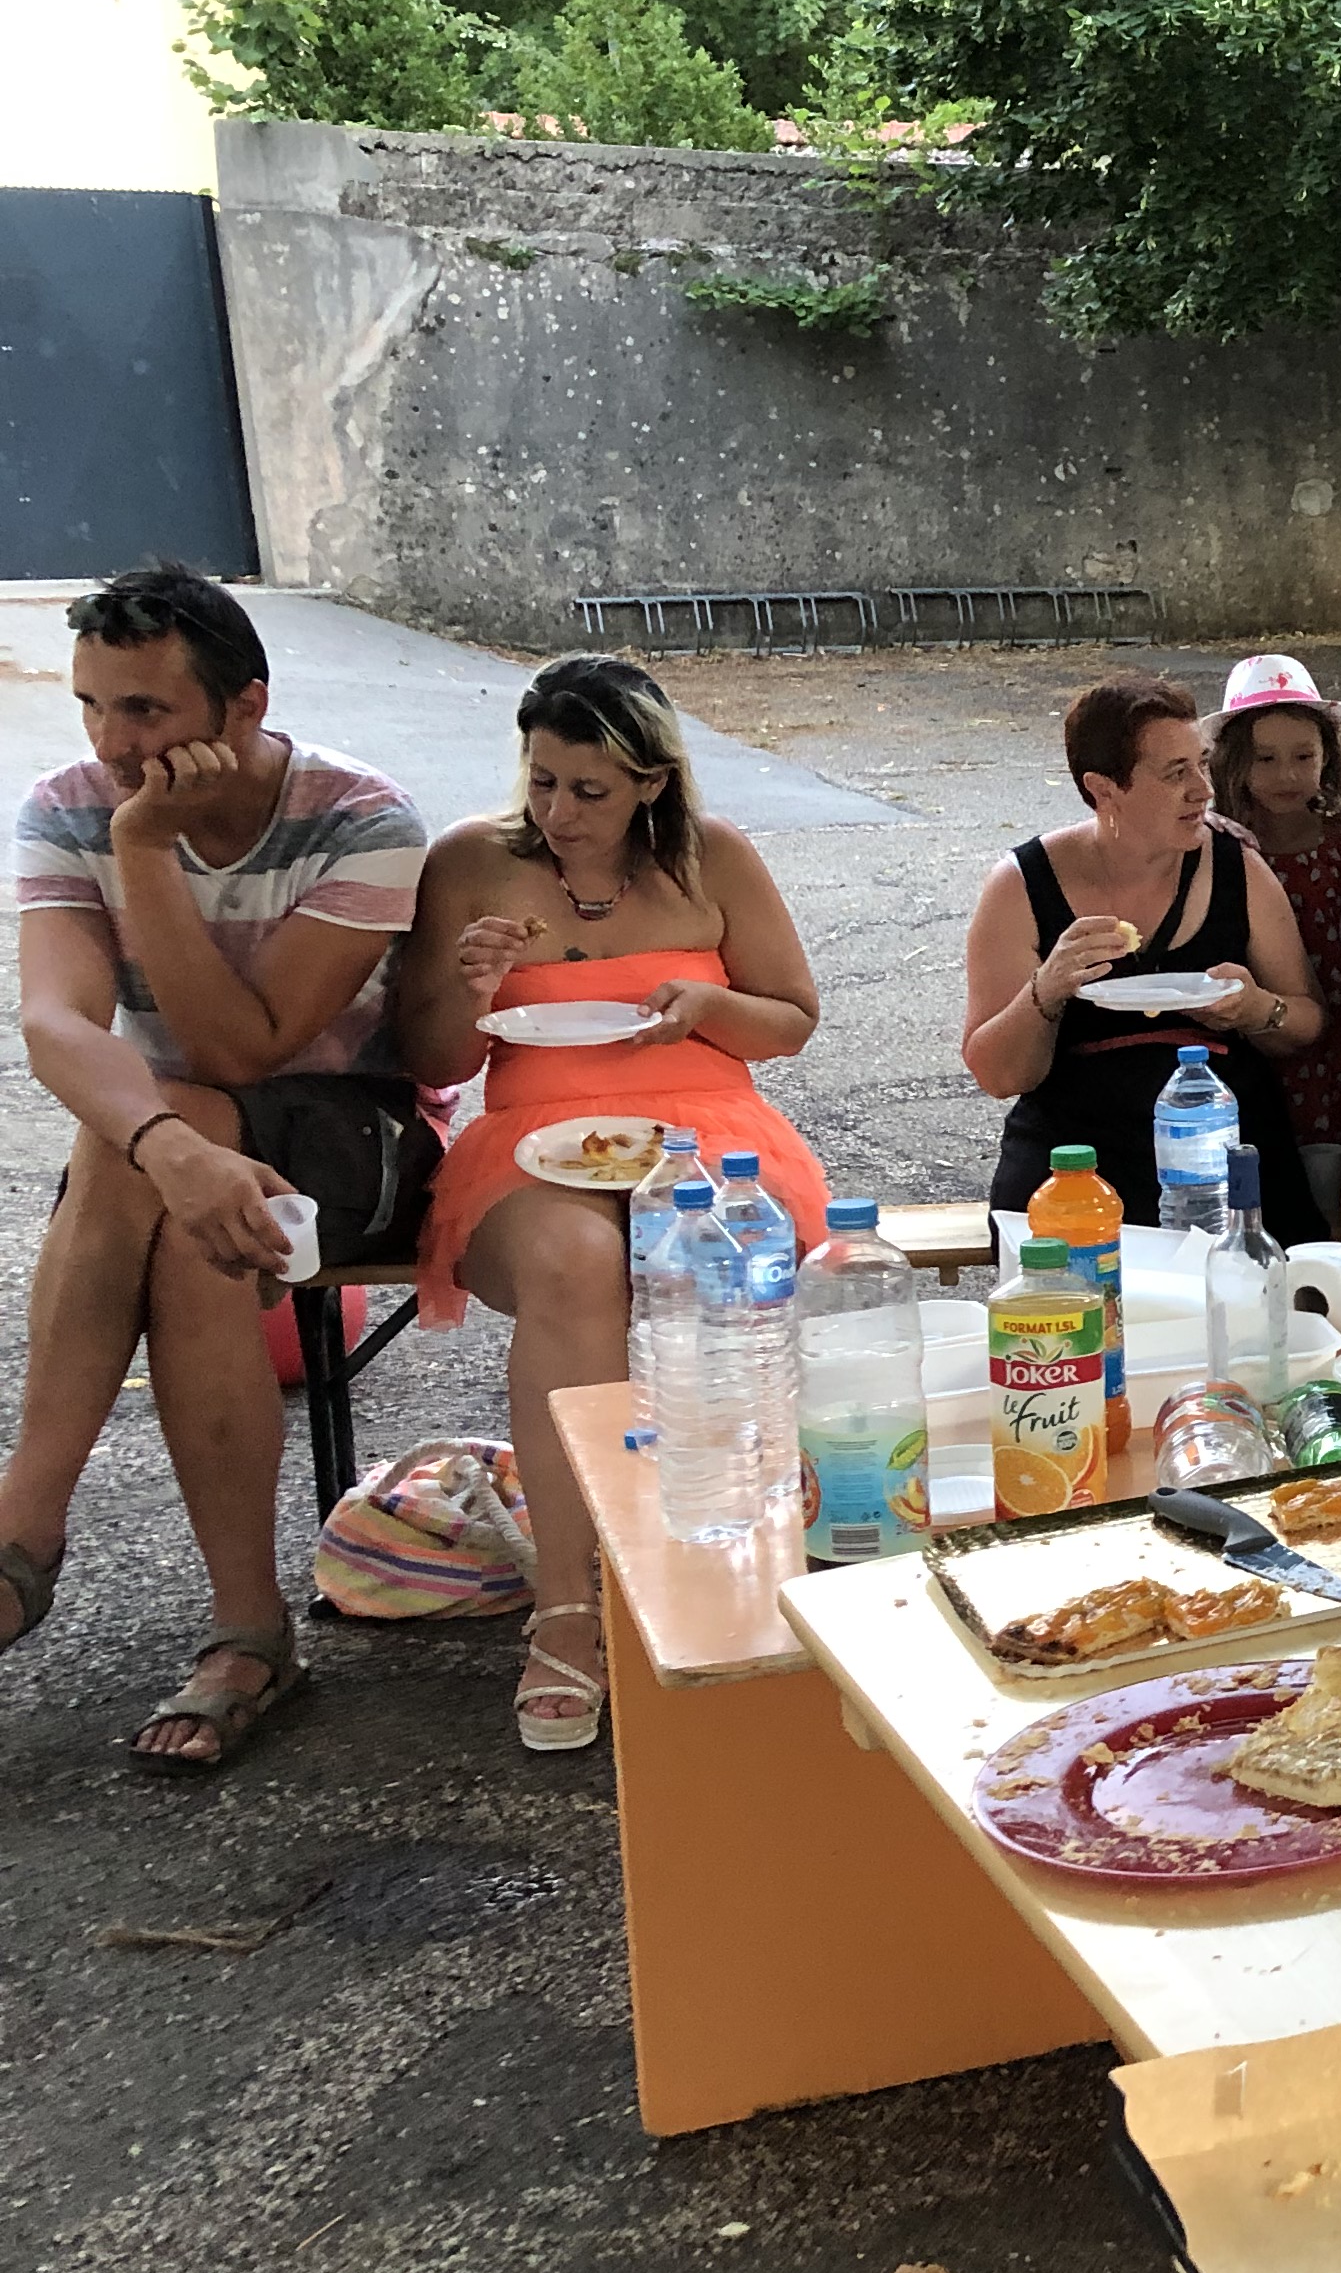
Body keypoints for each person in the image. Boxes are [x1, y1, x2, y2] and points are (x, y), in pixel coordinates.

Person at [5, 566, 439, 1770]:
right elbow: (56, 1026)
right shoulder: (62, 802)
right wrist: (171, 1147)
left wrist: (142, 853)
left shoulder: (361, 816)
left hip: (360, 1137)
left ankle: (21, 1539)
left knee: (173, 1112)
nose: (109, 741)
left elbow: (245, 1044)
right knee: (161, 1163)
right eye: (90, 705)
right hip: (159, 1154)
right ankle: (245, 1634)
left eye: (144, 712)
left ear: (244, 705)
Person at [400, 656, 831, 1751]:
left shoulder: (714, 857)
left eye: (589, 790)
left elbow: (789, 1020)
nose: (559, 813)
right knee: (573, 1266)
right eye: (542, 782)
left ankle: (734, 1563)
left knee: (728, 1246)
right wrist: (472, 988)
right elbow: (431, 1058)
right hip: (530, 1132)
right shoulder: (470, 862)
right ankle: (568, 1606)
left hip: (706, 1120)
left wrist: (707, 1005)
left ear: (650, 781)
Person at [961, 672, 1335, 1241]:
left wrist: (1258, 1010)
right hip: (1076, 1162)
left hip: (1218, 1151)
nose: (1204, 790)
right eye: (1175, 773)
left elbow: (1306, 1021)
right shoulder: (1021, 885)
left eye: (1202, 765)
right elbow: (998, 1073)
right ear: (1104, 787)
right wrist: (1046, 990)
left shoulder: (1237, 869)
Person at [1205, 653, 1341, 1229]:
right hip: (1271, 1049)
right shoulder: (1219, 850)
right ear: (1233, 764)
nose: (1286, 776)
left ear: (1328, 758)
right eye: (1264, 759)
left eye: (1304, 757)